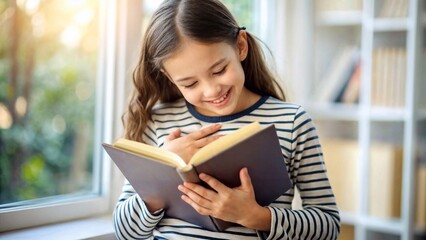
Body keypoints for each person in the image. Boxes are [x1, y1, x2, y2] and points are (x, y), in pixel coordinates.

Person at [114, 0, 340, 239]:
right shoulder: (159, 122)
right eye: (190, 83)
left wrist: (255, 216)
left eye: (219, 70)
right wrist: (162, 173)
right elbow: (125, 232)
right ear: (169, 78)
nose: (211, 91)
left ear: (241, 46)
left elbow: (327, 228)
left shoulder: (292, 122)